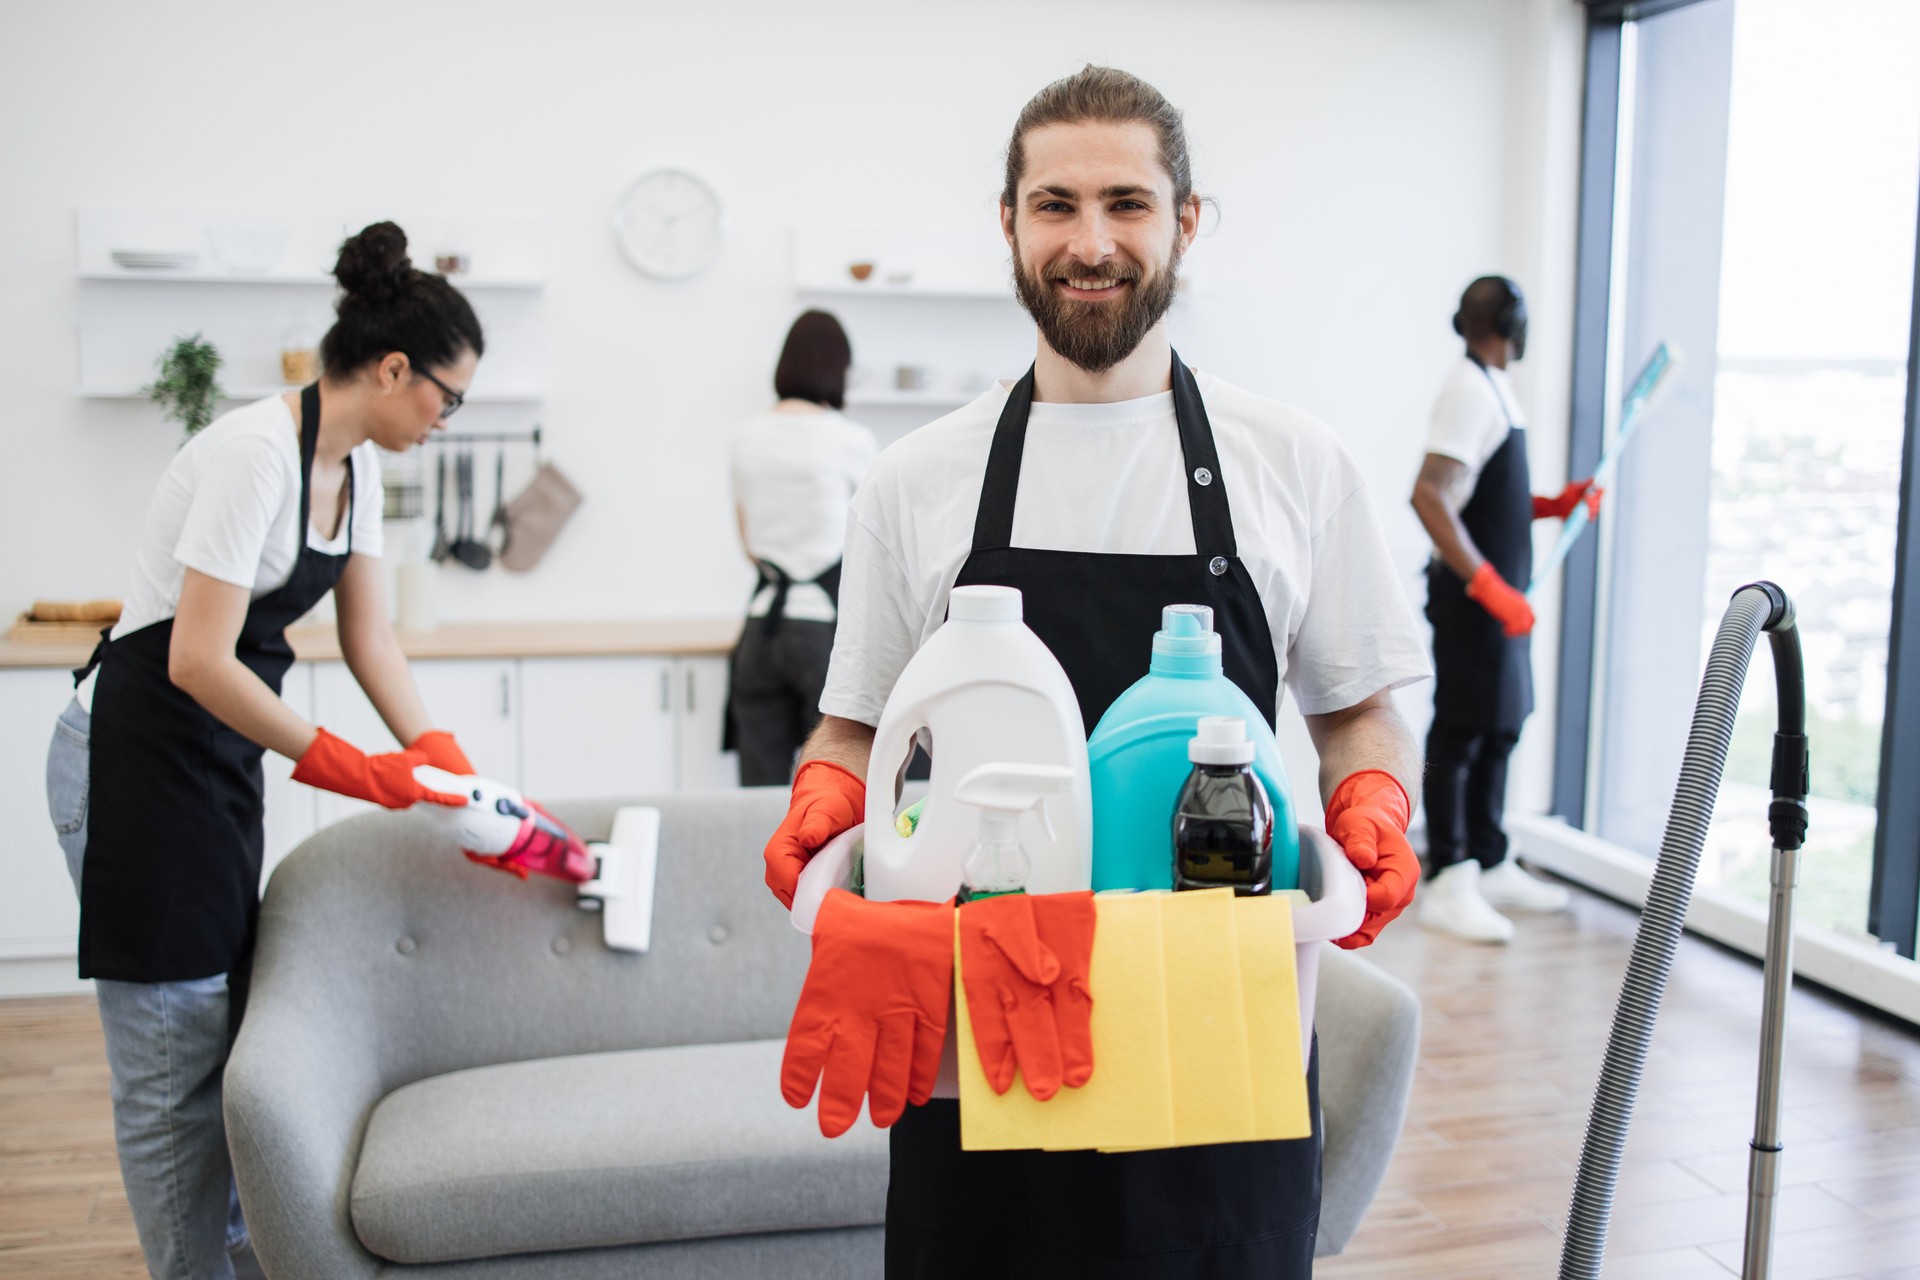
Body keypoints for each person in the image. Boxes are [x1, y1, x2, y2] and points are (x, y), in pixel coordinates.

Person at [762, 66, 1430, 1276]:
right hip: (985, 1027)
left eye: (1126, 202)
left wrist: (1373, 800)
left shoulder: (1294, 460)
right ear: (1008, 222)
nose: (1090, 241)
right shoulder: (919, 478)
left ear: (1186, 221)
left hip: (1218, 1026)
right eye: (1055, 204)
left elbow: (1360, 710)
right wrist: (825, 798)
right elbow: (854, 725)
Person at [43, 221, 486, 1280]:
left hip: (214, 762)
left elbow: (370, 636)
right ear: (391, 369)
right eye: (446, 396)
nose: (446, 418)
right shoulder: (254, 454)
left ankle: (238, 1260)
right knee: (171, 1065)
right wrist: (354, 766)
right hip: (137, 757)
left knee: (228, 1032)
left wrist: (438, 753)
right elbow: (197, 657)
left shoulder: (356, 470)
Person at [1408, 275, 1600, 943]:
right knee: (1462, 730)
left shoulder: (1492, 387)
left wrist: (1551, 505)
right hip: (1473, 598)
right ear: (1512, 323)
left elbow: (1480, 498)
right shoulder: (1467, 392)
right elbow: (1431, 497)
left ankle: (1489, 859)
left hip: (1498, 596)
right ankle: (1447, 877)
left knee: (1502, 725)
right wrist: (1488, 585)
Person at [726, 310, 877, 785]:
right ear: (838, 369)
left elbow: (750, 544)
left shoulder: (745, 437)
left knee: (759, 794)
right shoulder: (851, 440)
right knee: (834, 785)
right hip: (825, 635)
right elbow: (872, 543)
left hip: (760, 632)